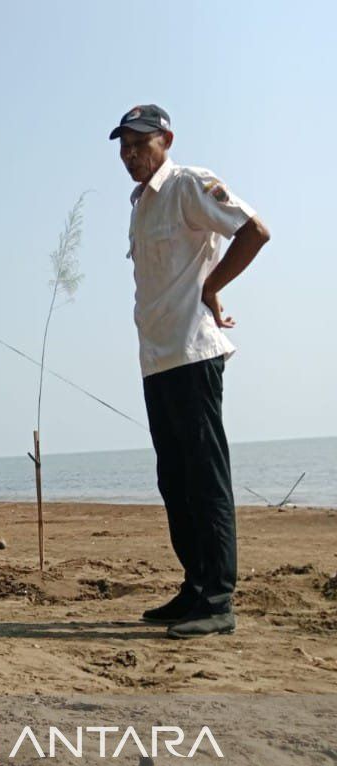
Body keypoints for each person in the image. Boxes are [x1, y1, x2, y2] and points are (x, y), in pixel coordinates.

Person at [111, 104, 270, 639]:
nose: (131, 155)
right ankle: (194, 585)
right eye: (124, 147)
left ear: (166, 139)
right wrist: (209, 283)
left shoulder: (186, 184)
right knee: (174, 480)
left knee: (205, 479)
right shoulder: (140, 205)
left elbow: (253, 231)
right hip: (156, 360)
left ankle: (218, 599)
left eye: (139, 143)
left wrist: (210, 288)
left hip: (192, 354)